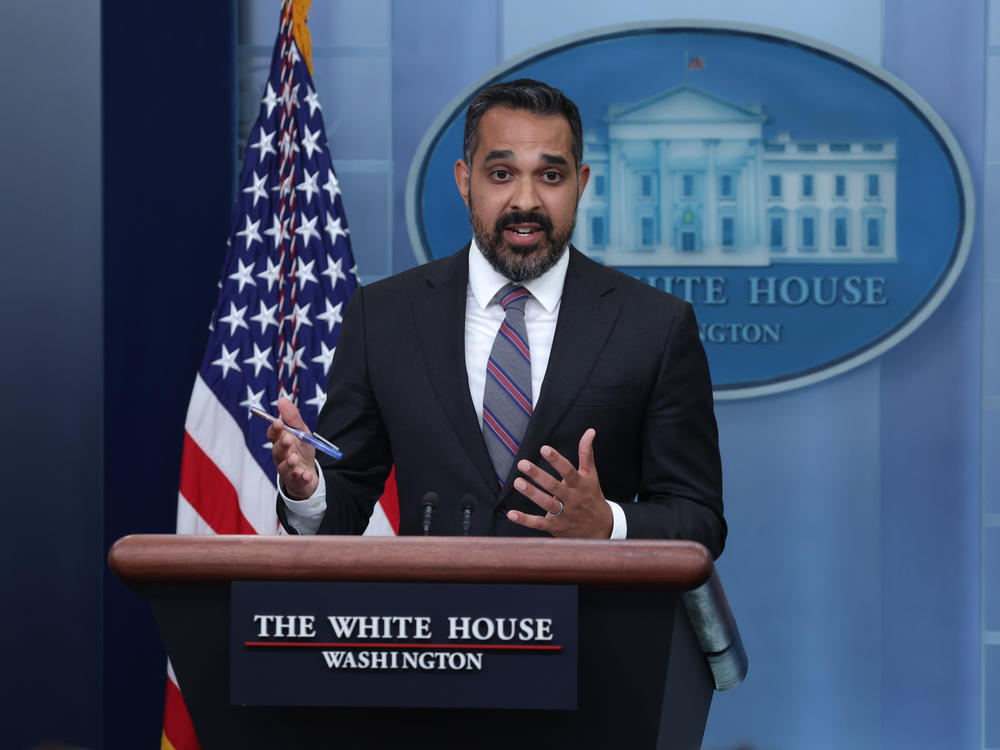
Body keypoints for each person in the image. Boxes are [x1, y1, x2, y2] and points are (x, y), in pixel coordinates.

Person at [269, 79, 726, 557]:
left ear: (581, 183)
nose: (525, 201)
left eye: (550, 176)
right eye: (502, 174)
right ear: (465, 181)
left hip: (591, 625)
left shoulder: (654, 325)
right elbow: (345, 502)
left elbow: (699, 520)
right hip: (436, 623)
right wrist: (308, 490)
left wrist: (607, 522)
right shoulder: (383, 316)